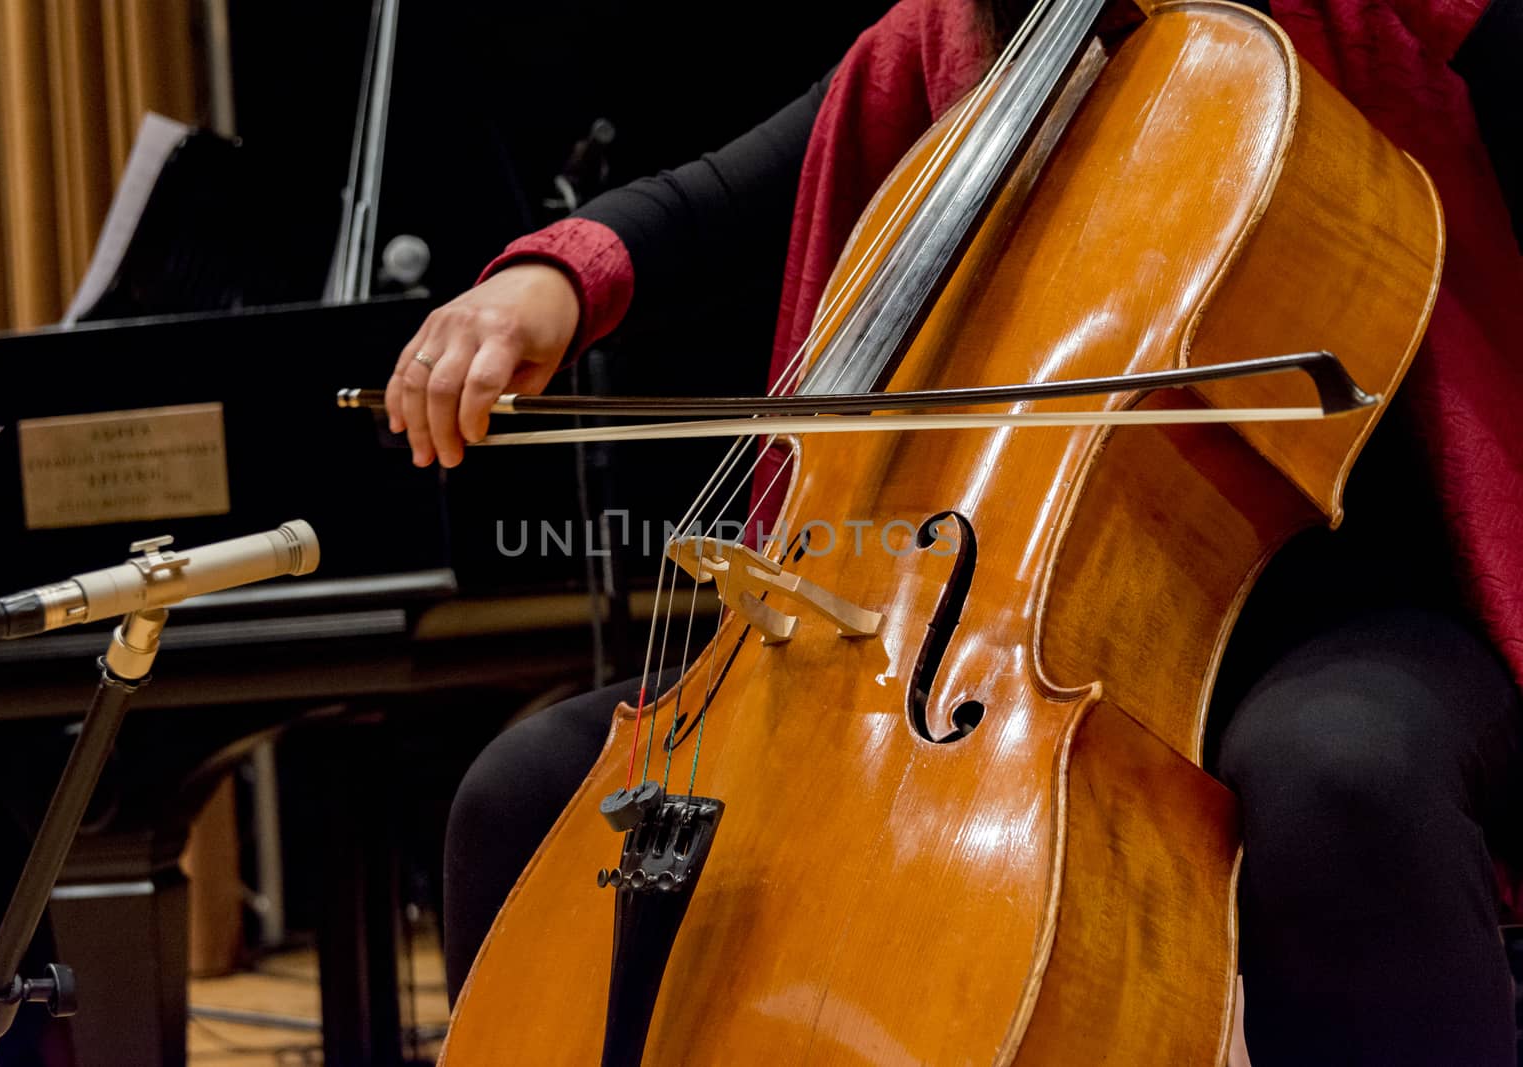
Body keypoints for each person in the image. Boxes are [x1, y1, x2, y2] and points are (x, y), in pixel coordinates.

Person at [387, 0, 1523, 1062]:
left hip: (1349, 603)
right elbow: (706, 202)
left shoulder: (1384, 21)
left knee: (1340, 775)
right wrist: (547, 282)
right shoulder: (951, 41)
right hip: (971, 616)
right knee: (530, 791)